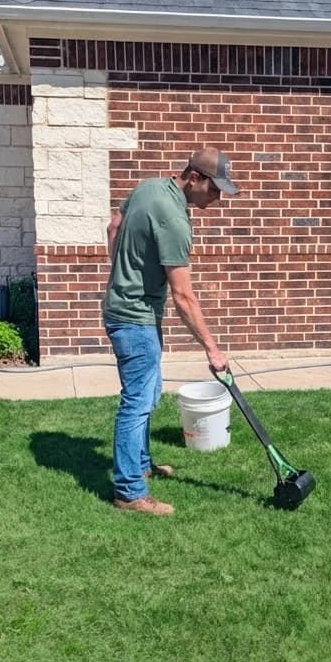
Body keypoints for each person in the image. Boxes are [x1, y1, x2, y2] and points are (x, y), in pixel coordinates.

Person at [103, 147, 239, 516]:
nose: (218, 198)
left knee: (148, 392)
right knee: (137, 402)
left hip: (123, 309)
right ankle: (130, 491)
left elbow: (114, 223)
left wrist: (119, 273)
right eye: (215, 189)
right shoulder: (175, 220)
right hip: (135, 318)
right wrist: (212, 349)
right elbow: (183, 295)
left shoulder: (148, 188)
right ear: (194, 177)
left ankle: (141, 464)